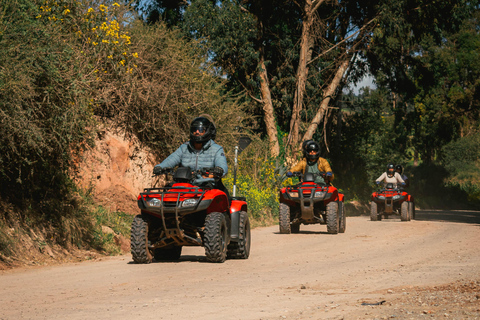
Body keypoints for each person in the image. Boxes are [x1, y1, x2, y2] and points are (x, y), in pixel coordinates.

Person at [152, 116, 229, 195]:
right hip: (185, 186)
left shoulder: (216, 149)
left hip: (207, 187)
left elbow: (222, 165)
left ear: (207, 131)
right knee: (166, 192)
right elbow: (171, 159)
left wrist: (219, 169)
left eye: (201, 130)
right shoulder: (184, 148)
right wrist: (160, 167)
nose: (197, 132)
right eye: (194, 129)